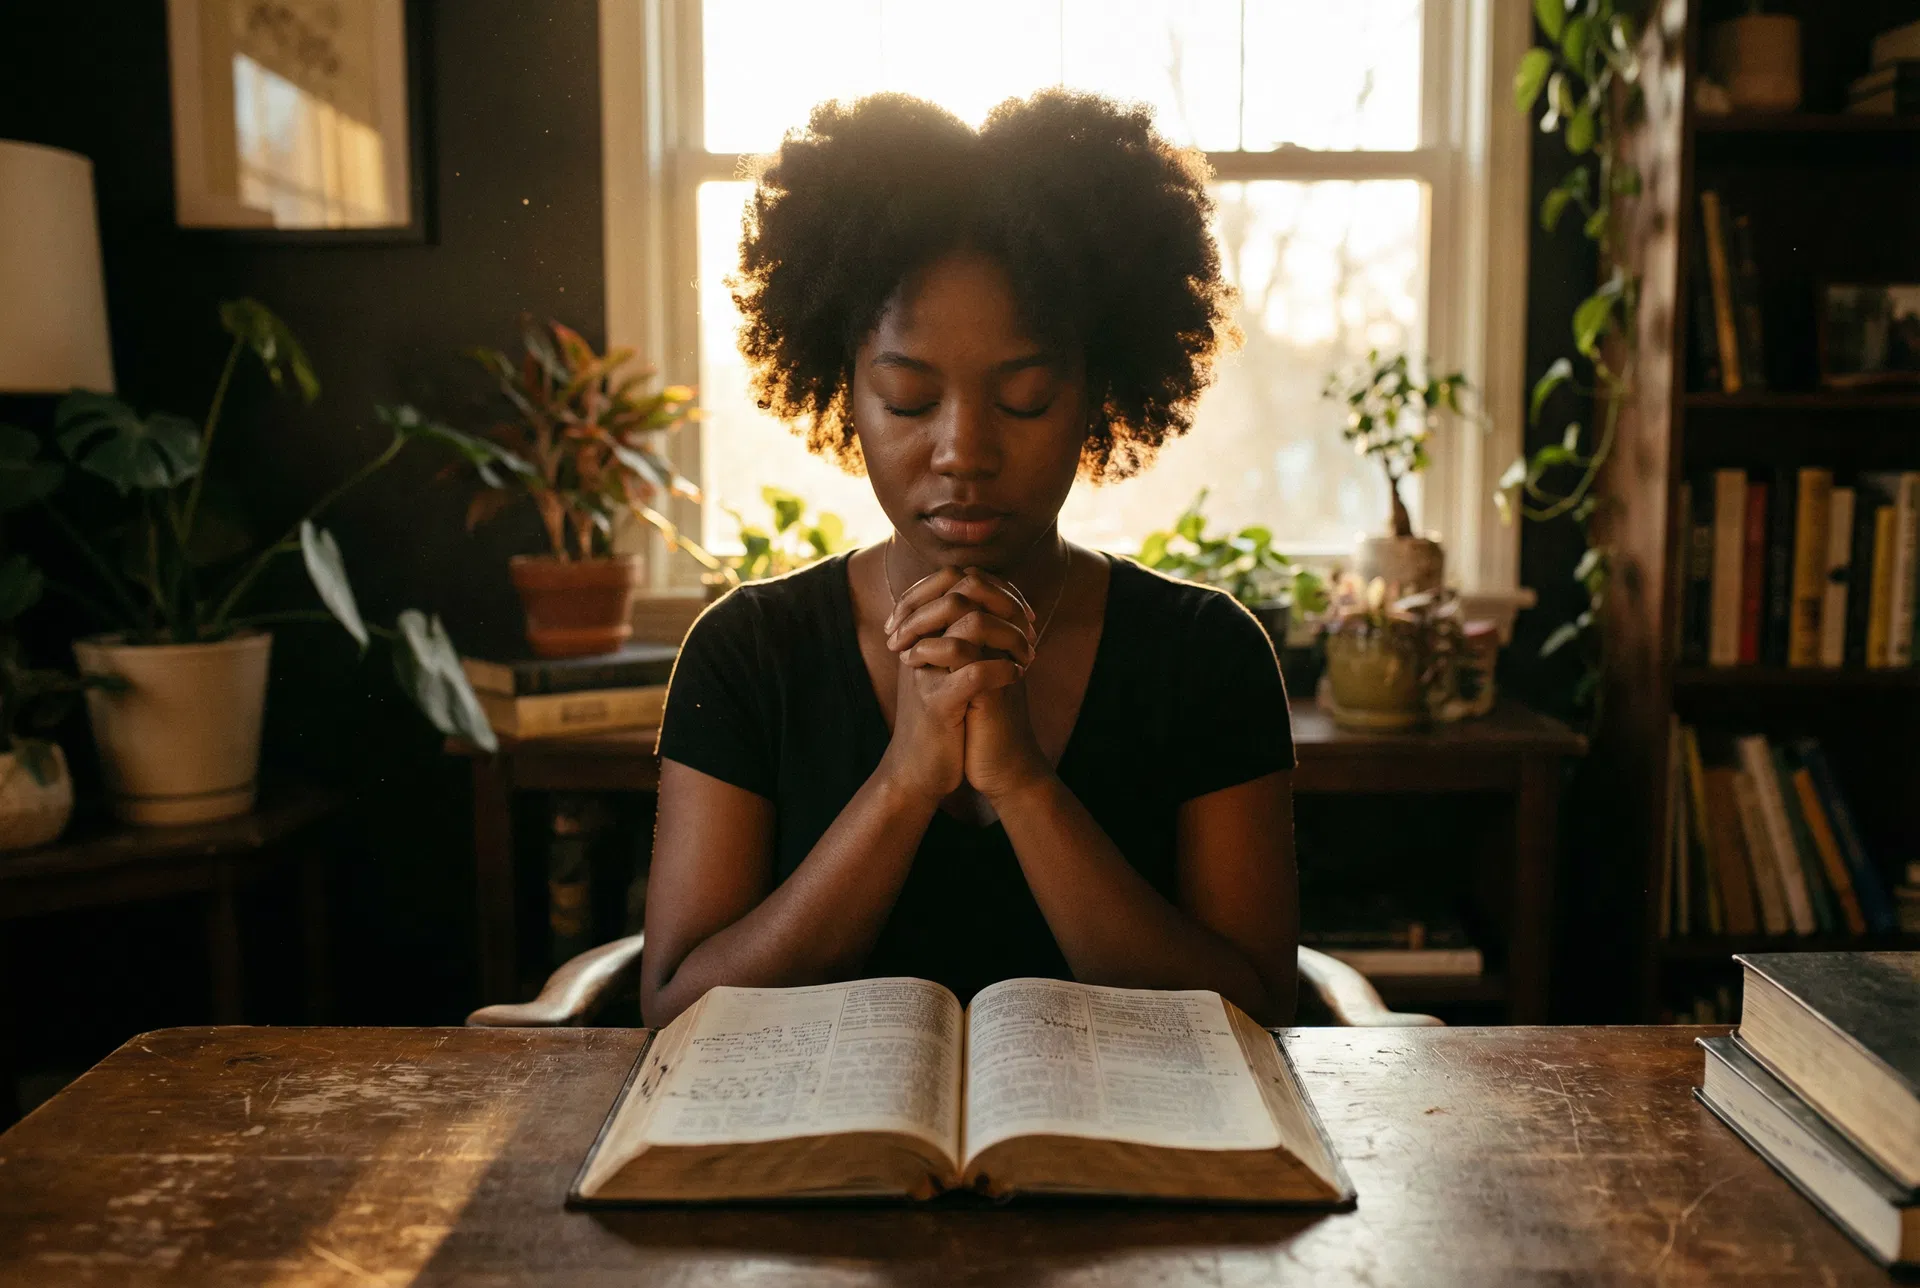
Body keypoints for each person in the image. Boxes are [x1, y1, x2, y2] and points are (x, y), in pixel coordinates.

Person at [640, 90, 1298, 1028]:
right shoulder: (747, 651)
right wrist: (905, 781)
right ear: (845, 392)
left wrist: (1024, 783)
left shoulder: (1206, 653)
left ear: (1098, 395)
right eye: (908, 400)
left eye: (1025, 398)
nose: (963, 450)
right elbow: (675, 1010)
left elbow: (1261, 1010)